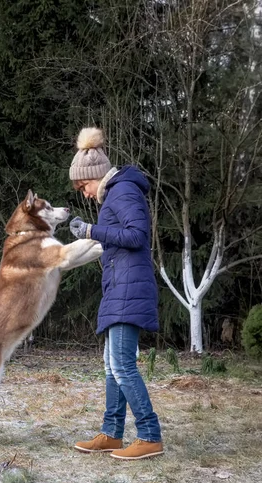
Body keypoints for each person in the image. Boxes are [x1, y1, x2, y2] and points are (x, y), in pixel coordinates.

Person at [68, 127, 163, 460]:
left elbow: (137, 235)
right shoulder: (117, 194)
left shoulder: (123, 191)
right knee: (111, 366)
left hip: (128, 290)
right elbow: (118, 239)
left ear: (95, 176)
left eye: (83, 186)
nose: (84, 193)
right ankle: (111, 434)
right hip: (119, 288)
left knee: (122, 366)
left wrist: (93, 229)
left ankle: (150, 436)